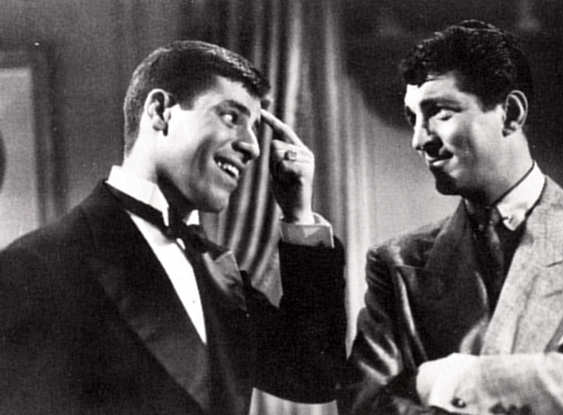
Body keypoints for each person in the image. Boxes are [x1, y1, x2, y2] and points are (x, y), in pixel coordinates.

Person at [339, 20, 563, 415]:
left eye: (440, 113)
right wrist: (561, 379)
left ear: (511, 113)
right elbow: (363, 407)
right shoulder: (397, 263)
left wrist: (444, 380)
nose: (419, 139)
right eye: (412, 118)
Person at [0, 40, 346, 414]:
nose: (253, 147)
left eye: (254, 128)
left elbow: (315, 374)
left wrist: (299, 216)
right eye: (231, 117)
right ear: (160, 111)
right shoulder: (36, 265)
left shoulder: (219, 271)